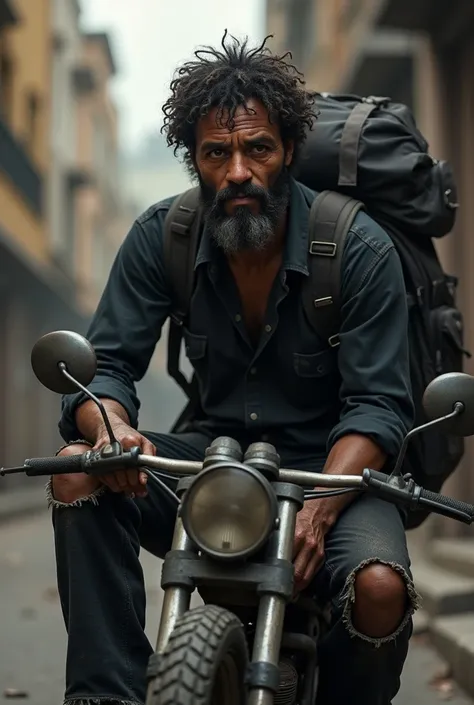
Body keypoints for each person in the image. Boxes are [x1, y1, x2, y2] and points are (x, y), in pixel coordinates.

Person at [49, 31, 418, 705]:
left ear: (287, 153)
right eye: (217, 153)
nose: (239, 171)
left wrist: (322, 506)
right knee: (78, 470)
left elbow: (380, 405)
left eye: (258, 149)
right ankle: (107, 694)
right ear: (195, 160)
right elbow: (104, 369)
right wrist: (112, 428)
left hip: (330, 469)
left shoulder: (358, 246)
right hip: (210, 459)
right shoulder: (162, 235)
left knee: (378, 586)